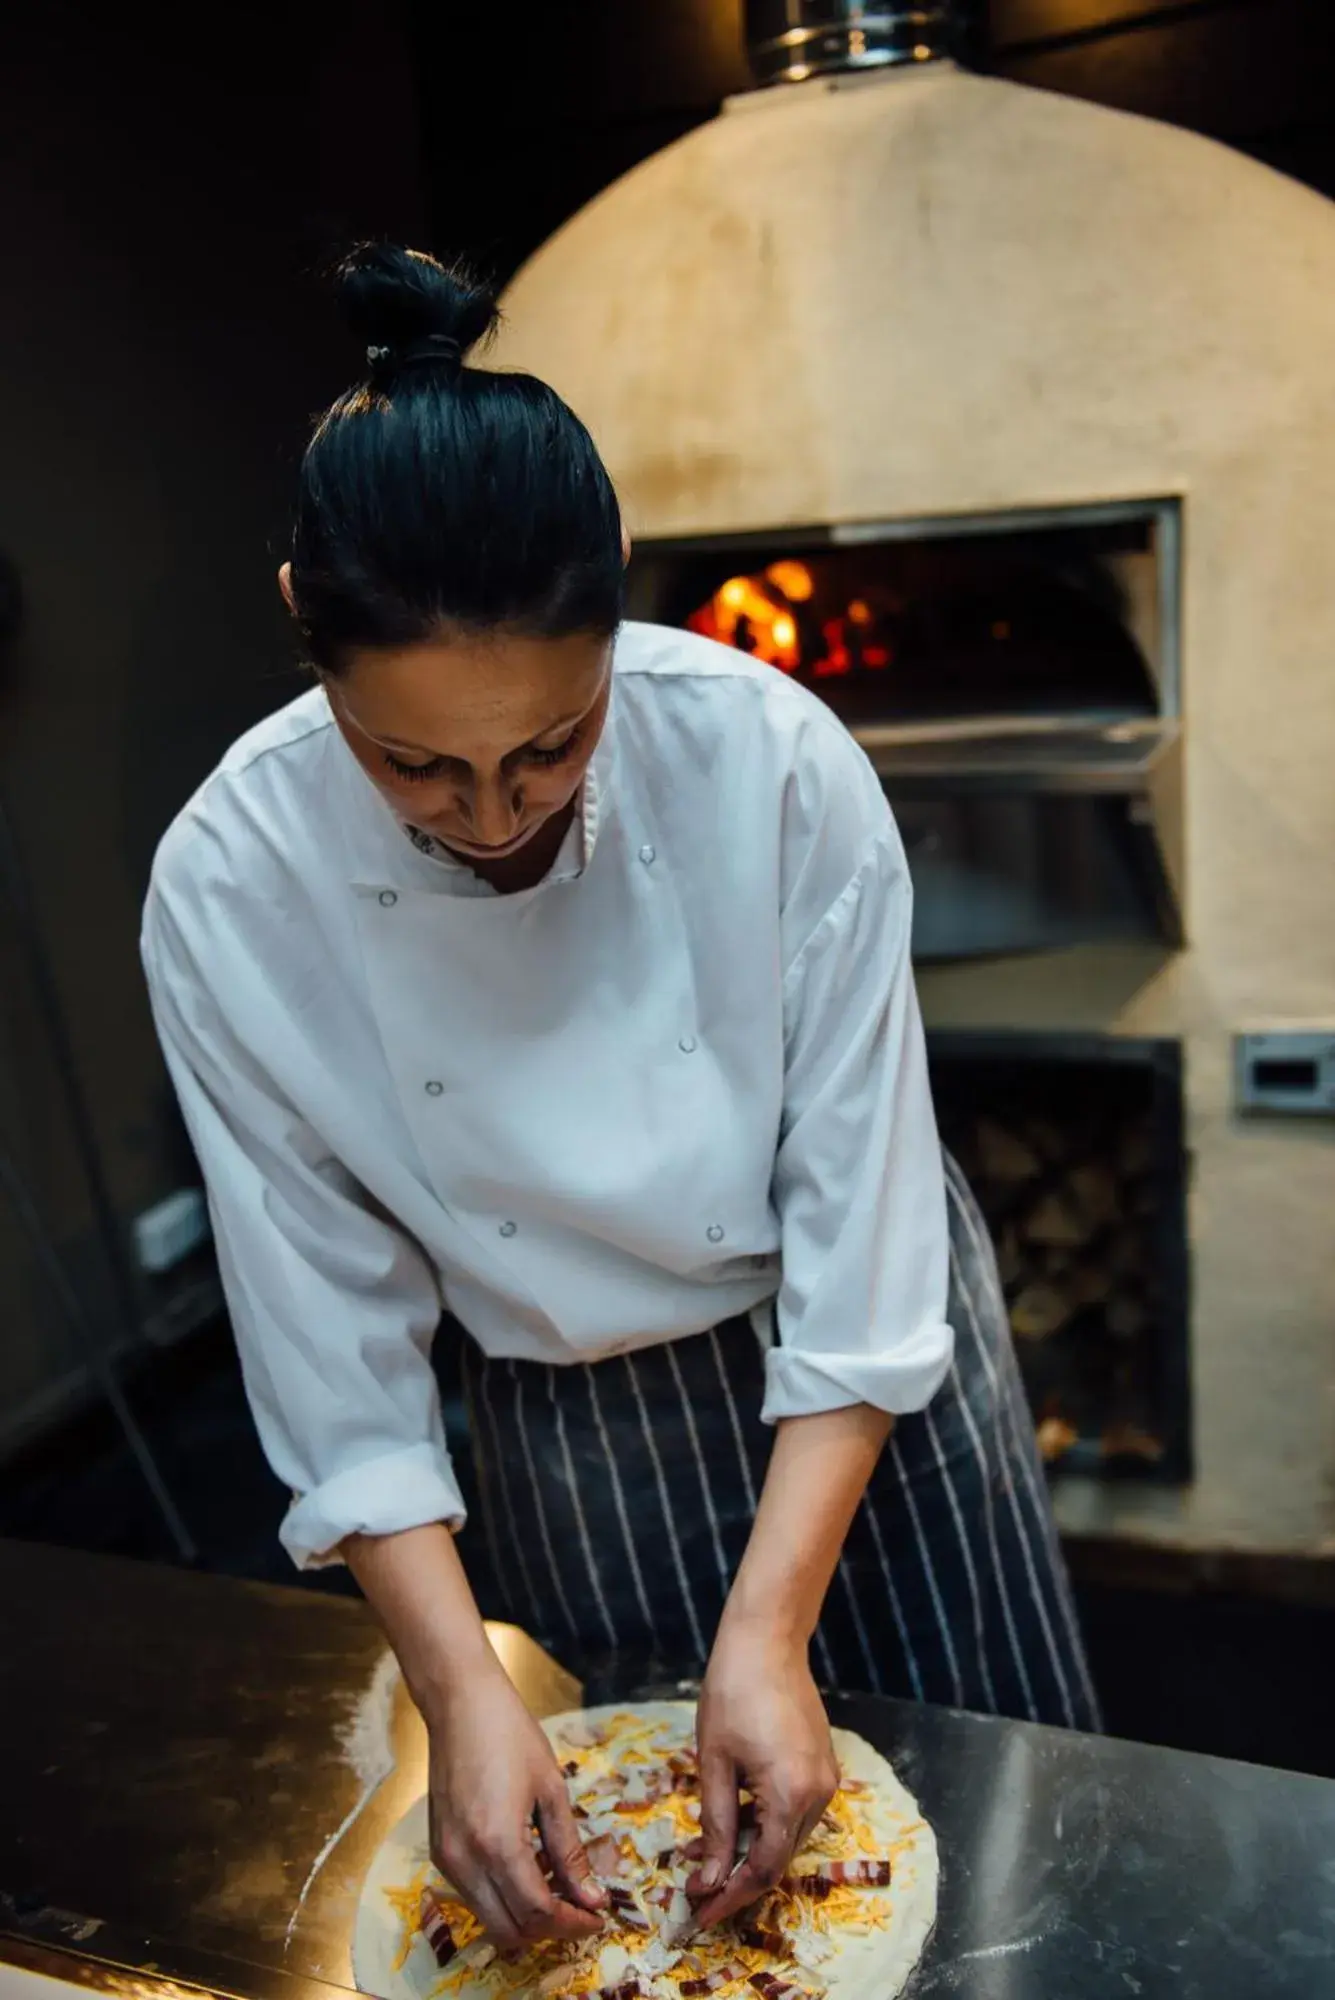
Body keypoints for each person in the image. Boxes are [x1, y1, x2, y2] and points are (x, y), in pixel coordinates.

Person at [141, 243, 1099, 1955]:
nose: (492, 813)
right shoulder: (229, 885)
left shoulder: (770, 758)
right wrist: (455, 1693)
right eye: (412, 763)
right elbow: (328, 1333)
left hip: (863, 1382)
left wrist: (771, 1623)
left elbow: (860, 1207)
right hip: (560, 1422)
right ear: (303, 620)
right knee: (647, 1917)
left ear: (620, 606)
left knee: (1002, 1872)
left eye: (552, 745)